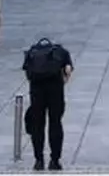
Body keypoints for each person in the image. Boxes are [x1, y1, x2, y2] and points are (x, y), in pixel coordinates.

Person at [23, 38, 74, 171]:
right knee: (55, 123)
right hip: (55, 90)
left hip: (36, 91)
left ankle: (39, 160)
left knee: (37, 125)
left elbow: (27, 73)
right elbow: (68, 70)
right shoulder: (62, 52)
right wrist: (64, 80)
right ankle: (55, 160)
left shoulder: (32, 52)